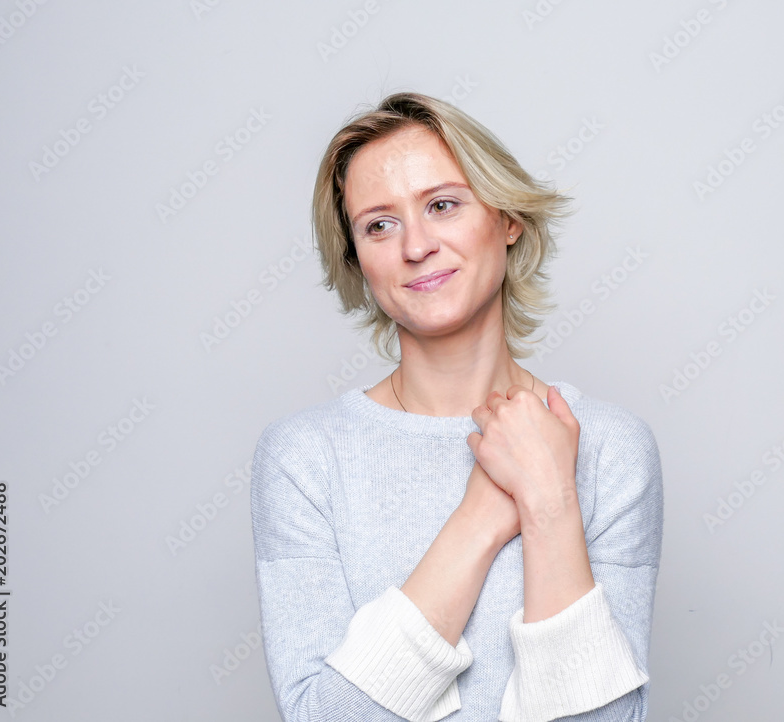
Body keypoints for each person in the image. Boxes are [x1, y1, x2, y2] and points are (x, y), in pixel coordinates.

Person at [250, 92, 663, 722]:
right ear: (358, 260)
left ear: (507, 219)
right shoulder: (302, 458)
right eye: (379, 224)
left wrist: (550, 501)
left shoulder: (610, 447)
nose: (416, 246)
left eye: (442, 205)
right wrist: (481, 514)